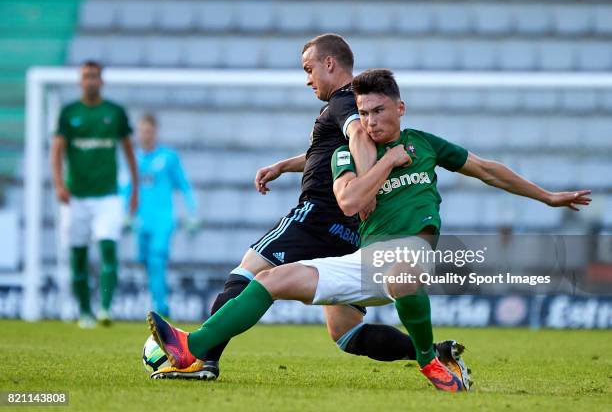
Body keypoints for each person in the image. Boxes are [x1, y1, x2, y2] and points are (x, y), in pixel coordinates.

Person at [147, 69, 591, 391]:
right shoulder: (349, 156)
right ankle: (193, 348)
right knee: (271, 279)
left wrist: (548, 196)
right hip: (364, 262)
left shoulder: (424, 144)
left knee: (402, 272)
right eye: (363, 112)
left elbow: (487, 170)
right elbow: (351, 202)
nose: (372, 120)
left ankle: (428, 362)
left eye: (379, 110)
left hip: (412, 252)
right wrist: (383, 163)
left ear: (400, 107)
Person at [193, 34, 446, 381]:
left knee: (247, 272)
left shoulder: (344, 101)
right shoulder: (362, 106)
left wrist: (367, 186)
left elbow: (357, 136)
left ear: (330, 64)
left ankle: (201, 358)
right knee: (345, 332)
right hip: (350, 231)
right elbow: (331, 153)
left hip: (318, 215)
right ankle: (433, 353)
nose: (307, 79)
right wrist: (285, 165)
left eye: (309, 69)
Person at [50, 60, 138, 328]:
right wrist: (58, 185)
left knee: (108, 248)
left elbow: (128, 151)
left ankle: (105, 308)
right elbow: (56, 151)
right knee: (78, 255)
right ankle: (85, 312)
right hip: (76, 196)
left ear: (101, 81)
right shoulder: (69, 113)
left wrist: (135, 187)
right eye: (86, 76)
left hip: (108, 196)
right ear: (80, 81)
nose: (90, 81)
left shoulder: (114, 113)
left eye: (94, 76)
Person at [125, 114, 198, 318]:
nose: (145, 135)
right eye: (142, 131)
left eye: (149, 131)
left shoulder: (168, 157)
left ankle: (161, 305)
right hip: (141, 220)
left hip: (163, 220)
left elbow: (184, 185)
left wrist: (192, 213)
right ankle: (157, 297)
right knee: (144, 259)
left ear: (155, 132)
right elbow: (127, 187)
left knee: (157, 259)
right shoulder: (134, 158)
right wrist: (126, 214)